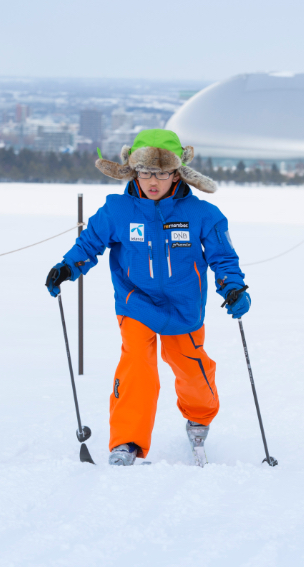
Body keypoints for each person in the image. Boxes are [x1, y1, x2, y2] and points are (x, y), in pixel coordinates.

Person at [44, 129, 250, 466]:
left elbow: (223, 258)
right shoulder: (116, 210)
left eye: (161, 173)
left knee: (191, 370)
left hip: (184, 307)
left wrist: (233, 287)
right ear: (133, 171)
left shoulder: (203, 214)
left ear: (177, 173)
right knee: (137, 366)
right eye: (145, 172)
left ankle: (198, 419)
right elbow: (89, 245)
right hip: (135, 302)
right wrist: (68, 268)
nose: (152, 181)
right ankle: (127, 442)